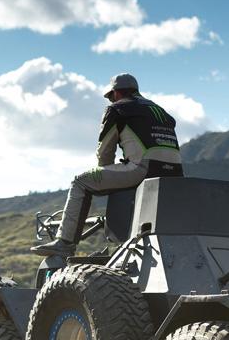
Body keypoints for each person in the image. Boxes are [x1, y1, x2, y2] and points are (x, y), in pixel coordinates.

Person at [31, 73, 184, 256]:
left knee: (80, 181)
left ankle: (64, 243)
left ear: (116, 93)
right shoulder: (160, 111)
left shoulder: (116, 109)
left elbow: (105, 150)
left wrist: (105, 172)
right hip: (175, 174)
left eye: (111, 96)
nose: (111, 100)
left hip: (142, 169)